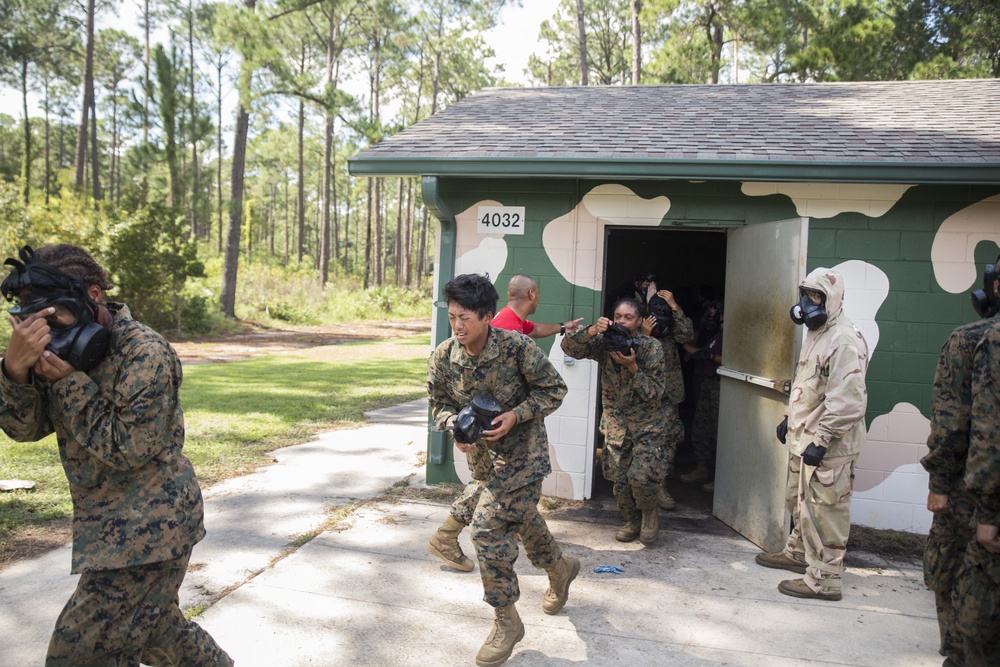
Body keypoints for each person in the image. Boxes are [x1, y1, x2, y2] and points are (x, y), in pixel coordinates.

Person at [0, 245, 232, 666]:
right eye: (33, 323)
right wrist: (14, 372)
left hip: (152, 531)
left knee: (79, 653)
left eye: (53, 317)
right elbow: (26, 429)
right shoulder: (59, 350)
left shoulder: (144, 352)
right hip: (108, 529)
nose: (46, 332)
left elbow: (128, 448)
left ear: (92, 295)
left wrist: (69, 383)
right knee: (157, 632)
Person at [426, 273, 579, 667]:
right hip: (485, 464)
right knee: (525, 521)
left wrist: (516, 415)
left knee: (486, 529)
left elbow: (553, 390)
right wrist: (454, 429)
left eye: (466, 318)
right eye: (452, 316)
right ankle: (560, 570)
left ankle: (506, 621)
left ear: (488, 316)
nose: (458, 325)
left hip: (523, 460)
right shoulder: (443, 357)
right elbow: (439, 405)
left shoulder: (517, 347)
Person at [755, 267, 869, 601]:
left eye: (816, 296)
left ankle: (825, 580)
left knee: (825, 511)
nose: (807, 303)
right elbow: (811, 385)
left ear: (833, 299)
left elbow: (848, 402)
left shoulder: (844, 339)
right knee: (798, 501)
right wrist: (790, 419)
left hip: (829, 443)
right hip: (805, 436)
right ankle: (798, 553)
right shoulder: (817, 333)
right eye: (805, 294)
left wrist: (822, 439)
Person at [920, 259, 999, 667]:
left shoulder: (970, 341)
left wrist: (939, 484)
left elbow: (952, 425)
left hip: (970, 498)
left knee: (953, 579)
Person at [562, 297, 668, 545]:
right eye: (618, 316)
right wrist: (591, 330)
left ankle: (649, 513)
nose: (621, 321)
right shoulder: (604, 344)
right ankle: (632, 521)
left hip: (647, 426)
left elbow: (655, 392)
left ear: (640, 321)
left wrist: (632, 367)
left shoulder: (652, 348)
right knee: (620, 483)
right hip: (616, 425)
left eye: (628, 317)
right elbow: (570, 348)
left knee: (641, 478)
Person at [953, 312, 1000, 665]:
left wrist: (987, 512)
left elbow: (988, 432)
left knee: (977, 622)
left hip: (987, 510)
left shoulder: (987, 339)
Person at [639, 289, 694, 508]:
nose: (658, 317)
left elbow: (687, 335)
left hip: (669, 395)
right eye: (655, 311)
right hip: (645, 397)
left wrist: (674, 306)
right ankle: (641, 487)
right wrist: (644, 334)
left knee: (669, 438)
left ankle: (661, 485)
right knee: (643, 441)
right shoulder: (638, 330)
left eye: (663, 312)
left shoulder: (672, 334)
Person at [679, 299, 724, 492]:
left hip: (720, 385)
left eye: (717, 311)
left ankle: (722, 477)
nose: (713, 315)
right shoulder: (716, 335)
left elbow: (738, 359)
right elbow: (698, 351)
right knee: (701, 428)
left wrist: (712, 358)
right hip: (708, 384)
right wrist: (680, 341)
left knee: (718, 431)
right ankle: (702, 469)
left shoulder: (732, 334)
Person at [491, 273, 583, 339]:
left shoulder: (510, 317)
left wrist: (563, 327)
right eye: (537, 293)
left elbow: (536, 329)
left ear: (509, 294)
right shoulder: (510, 331)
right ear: (531, 294)